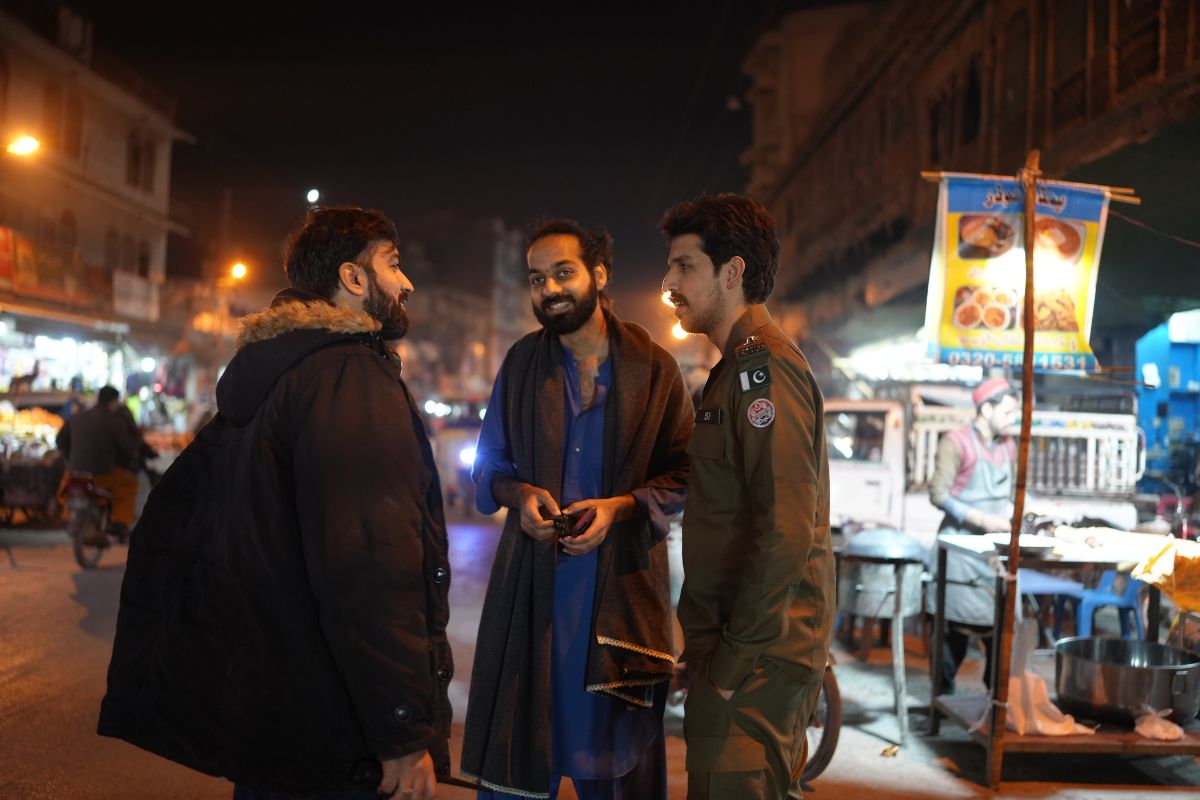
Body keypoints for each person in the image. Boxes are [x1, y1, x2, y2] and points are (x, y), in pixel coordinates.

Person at [97, 207, 451, 800]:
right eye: (393, 265)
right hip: (333, 731)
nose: (407, 282)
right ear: (353, 278)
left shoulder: (282, 372)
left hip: (273, 716)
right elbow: (367, 566)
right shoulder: (347, 378)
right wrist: (400, 730)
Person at [461, 219, 693, 799]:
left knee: (613, 769)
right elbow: (487, 466)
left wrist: (623, 507)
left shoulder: (654, 368)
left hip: (619, 601)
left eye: (563, 273)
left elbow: (687, 473)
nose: (549, 289)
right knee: (520, 757)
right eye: (537, 278)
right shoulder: (521, 364)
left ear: (599, 274)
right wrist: (518, 495)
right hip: (533, 597)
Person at [660, 193, 834, 800]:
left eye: (684, 266)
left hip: (756, 660)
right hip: (738, 651)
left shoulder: (764, 371)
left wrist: (731, 668)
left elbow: (785, 532)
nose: (669, 283)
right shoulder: (734, 368)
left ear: (732, 272)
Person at [927, 376, 1020, 691]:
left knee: (1003, 633)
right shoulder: (955, 443)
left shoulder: (1008, 446)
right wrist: (982, 519)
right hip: (959, 555)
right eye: (1007, 412)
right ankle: (942, 699)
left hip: (994, 556)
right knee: (951, 636)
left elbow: (1011, 495)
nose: (1013, 419)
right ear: (986, 409)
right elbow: (938, 494)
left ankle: (995, 704)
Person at [55, 385, 140, 542]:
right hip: (103, 474)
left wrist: (70, 458)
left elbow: (60, 440)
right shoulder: (115, 421)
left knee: (66, 486)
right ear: (113, 402)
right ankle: (119, 523)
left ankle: (66, 516)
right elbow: (127, 448)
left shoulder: (77, 417)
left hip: (75, 472)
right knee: (130, 483)